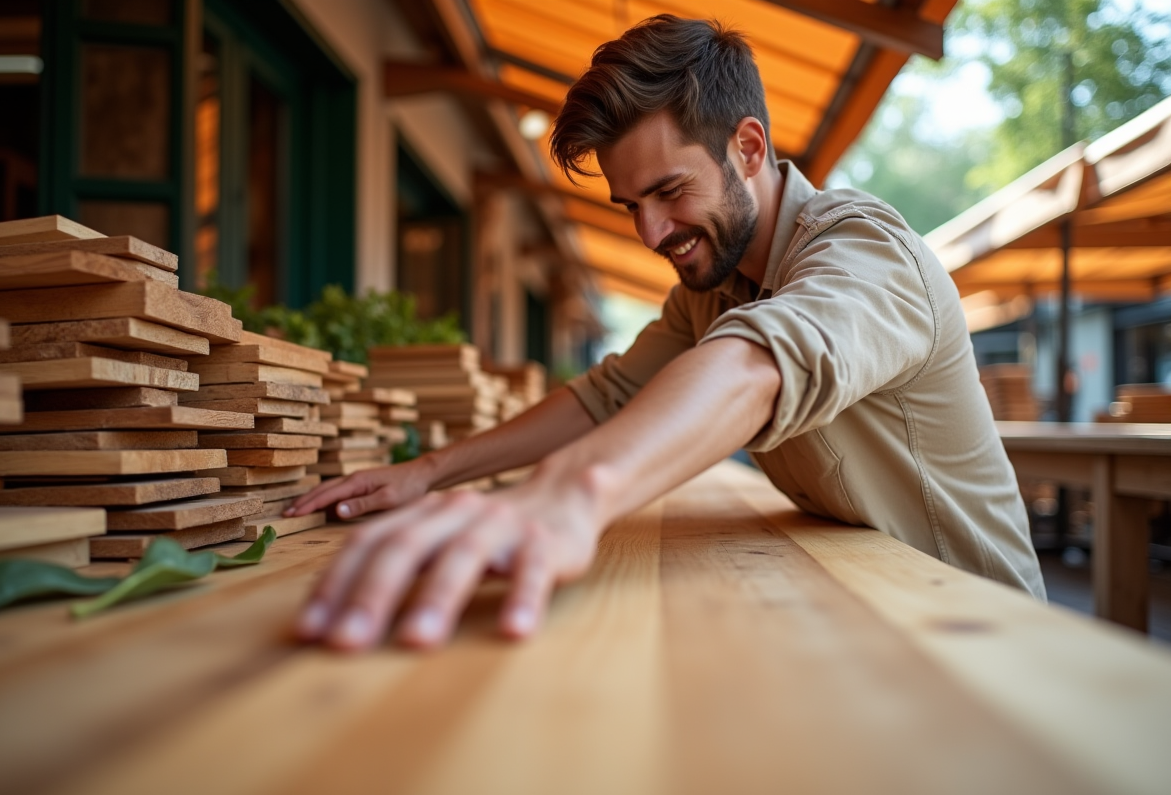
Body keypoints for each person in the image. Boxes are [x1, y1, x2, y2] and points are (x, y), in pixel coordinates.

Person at [284, 15, 1045, 651]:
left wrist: (574, 496)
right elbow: (606, 396)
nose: (651, 232)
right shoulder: (711, 290)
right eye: (629, 206)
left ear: (748, 149)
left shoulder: (865, 249)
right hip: (874, 616)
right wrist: (431, 471)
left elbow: (758, 365)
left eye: (669, 191)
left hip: (987, 642)